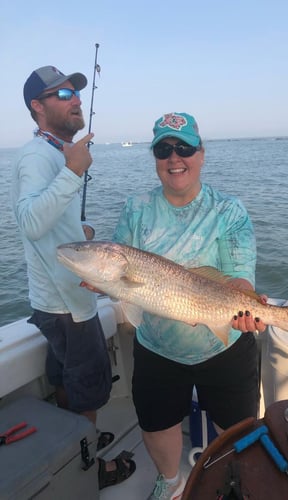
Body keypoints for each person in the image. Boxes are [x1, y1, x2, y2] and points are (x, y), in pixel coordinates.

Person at [112, 112, 266, 499]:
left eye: (184, 148)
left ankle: (231, 483)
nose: (174, 158)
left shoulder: (228, 210)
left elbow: (238, 277)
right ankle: (172, 483)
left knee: (238, 428)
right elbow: (119, 278)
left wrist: (246, 306)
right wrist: (102, 280)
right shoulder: (136, 209)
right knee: (156, 421)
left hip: (224, 343)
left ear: (201, 153)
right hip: (157, 346)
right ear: (154, 156)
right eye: (164, 149)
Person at [11, 65, 135, 490]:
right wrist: (73, 171)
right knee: (89, 392)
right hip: (68, 307)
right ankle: (89, 468)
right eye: (62, 94)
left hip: (59, 301)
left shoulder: (52, 151)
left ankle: (71, 444)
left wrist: (78, 233)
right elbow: (28, 221)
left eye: (75, 93)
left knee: (66, 381)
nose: (75, 99)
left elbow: (47, 222)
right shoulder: (38, 156)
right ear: (38, 107)